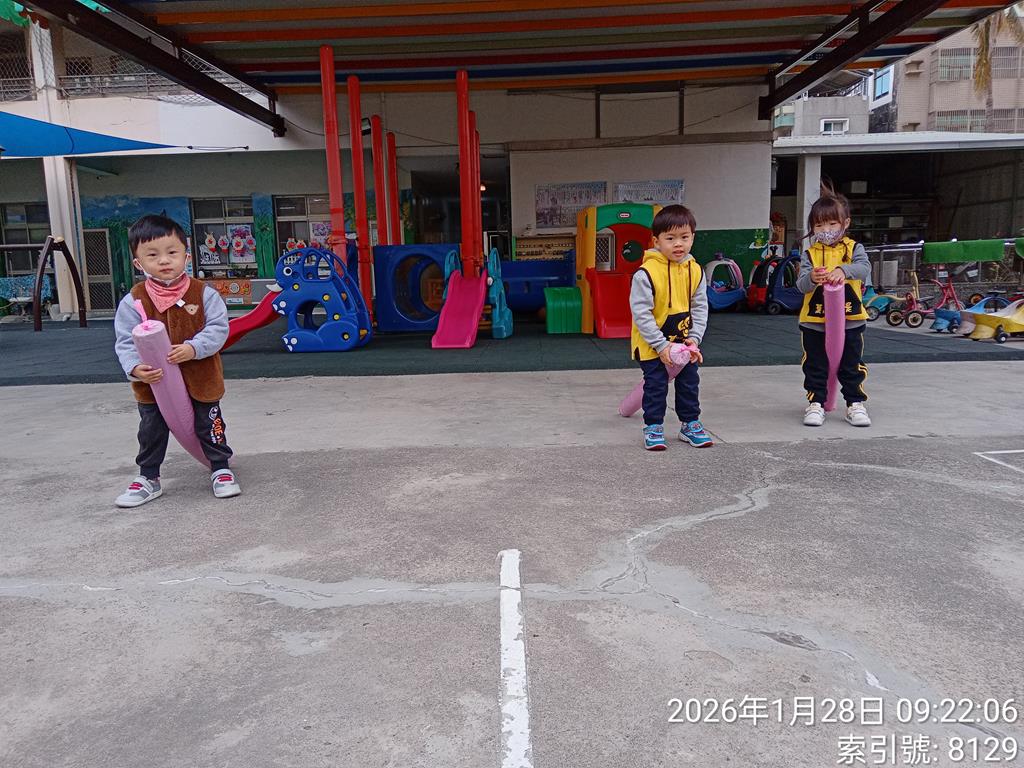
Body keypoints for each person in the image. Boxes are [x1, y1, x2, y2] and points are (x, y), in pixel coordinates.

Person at [113, 214, 241, 507]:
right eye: (152, 255)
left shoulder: (204, 294)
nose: (164, 260)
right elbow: (125, 341)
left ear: (187, 256)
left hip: (200, 377)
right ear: (138, 263)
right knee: (151, 430)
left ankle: (220, 467)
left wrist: (194, 348)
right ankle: (149, 477)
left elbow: (219, 328)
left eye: (172, 252)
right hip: (154, 384)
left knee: (209, 424)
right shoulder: (134, 301)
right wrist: (135, 368)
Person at [629, 204, 713, 451]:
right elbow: (641, 313)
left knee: (689, 382)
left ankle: (690, 424)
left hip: (684, 343)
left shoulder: (695, 271)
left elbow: (700, 307)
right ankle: (653, 427)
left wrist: (694, 339)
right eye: (670, 238)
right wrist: (660, 345)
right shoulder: (645, 273)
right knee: (656, 385)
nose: (678, 244)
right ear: (656, 241)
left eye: (684, 237)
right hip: (651, 344)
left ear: (692, 238)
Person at [796, 192, 872, 427]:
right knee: (815, 364)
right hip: (815, 321)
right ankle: (816, 403)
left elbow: (864, 268)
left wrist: (843, 270)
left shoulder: (854, 248)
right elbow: (801, 285)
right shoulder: (810, 254)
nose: (825, 230)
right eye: (819, 225)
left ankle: (855, 403)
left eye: (832, 223)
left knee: (851, 363)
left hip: (850, 318)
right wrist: (811, 277)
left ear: (845, 223)